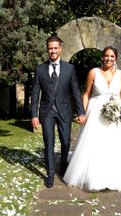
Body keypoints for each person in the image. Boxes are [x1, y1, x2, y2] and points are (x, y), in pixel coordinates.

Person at [63, 46, 121, 192]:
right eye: (106, 56)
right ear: (102, 57)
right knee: (94, 144)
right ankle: (92, 177)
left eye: (112, 56)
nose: (109, 59)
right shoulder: (94, 72)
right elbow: (86, 94)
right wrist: (82, 113)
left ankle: (112, 178)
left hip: (114, 114)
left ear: (115, 58)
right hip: (95, 112)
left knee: (113, 145)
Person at [31, 35, 86, 188]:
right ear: (47, 49)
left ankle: (63, 166)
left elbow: (75, 92)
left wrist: (81, 112)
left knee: (66, 141)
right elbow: (35, 93)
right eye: (50, 48)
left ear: (60, 49)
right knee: (48, 142)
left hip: (64, 111)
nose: (53, 51)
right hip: (47, 112)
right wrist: (34, 115)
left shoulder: (70, 69)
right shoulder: (40, 69)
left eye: (55, 48)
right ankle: (50, 173)